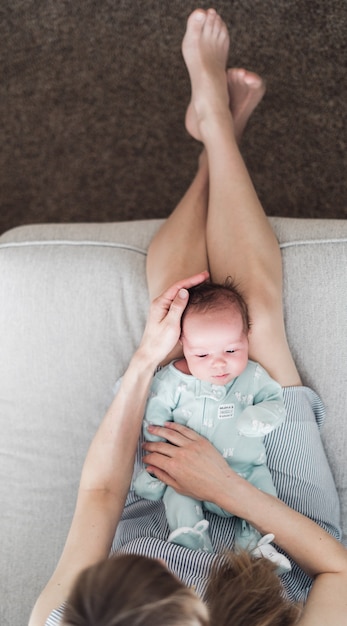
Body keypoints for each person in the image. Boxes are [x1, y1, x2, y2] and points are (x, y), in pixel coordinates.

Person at [29, 8, 346, 626]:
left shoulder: (67, 619)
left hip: (161, 496)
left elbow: (100, 496)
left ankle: (210, 142)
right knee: (252, 314)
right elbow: (338, 569)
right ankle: (217, 127)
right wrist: (228, 489)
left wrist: (149, 357)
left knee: (181, 314)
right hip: (283, 529)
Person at [134, 280, 290, 574]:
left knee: (265, 497)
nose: (219, 365)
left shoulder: (254, 376)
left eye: (231, 350)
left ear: (247, 337)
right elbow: (153, 421)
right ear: (183, 345)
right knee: (177, 496)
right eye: (202, 355)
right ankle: (190, 540)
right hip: (185, 472)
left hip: (246, 470)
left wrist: (261, 416)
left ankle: (255, 548)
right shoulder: (172, 381)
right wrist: (157, 464)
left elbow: (275, 401)